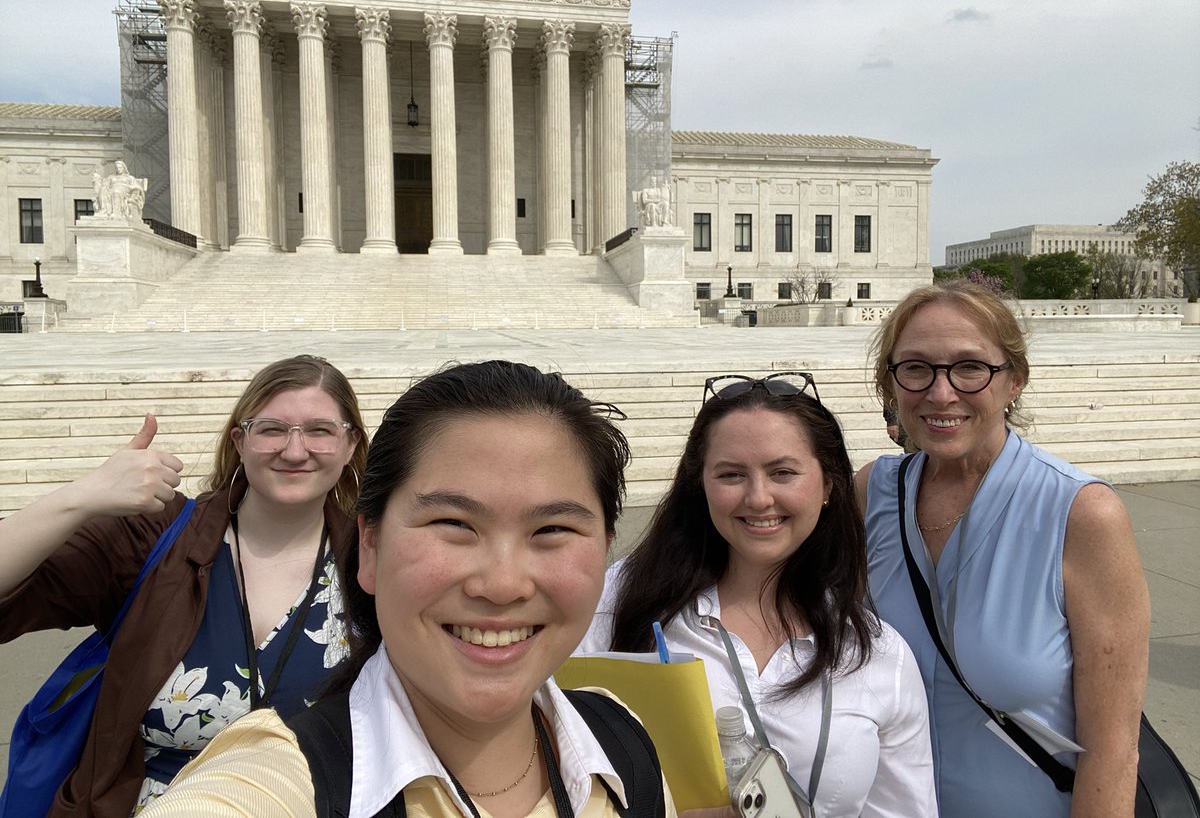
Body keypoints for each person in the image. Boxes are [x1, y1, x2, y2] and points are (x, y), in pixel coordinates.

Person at [139, 361, 675, 818]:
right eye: (454, 524)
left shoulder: (621, 740)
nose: (503, 585)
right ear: (368, 547)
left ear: (605, 548)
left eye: (552, 530)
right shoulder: (274, 779)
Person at [0, 354, 367, 816]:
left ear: (351, 444)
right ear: (241, 439)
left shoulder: (372, 563)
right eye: (272, 429)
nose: (294, 451)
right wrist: (81, 497)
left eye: (320, 430)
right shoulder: (154, 536)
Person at [855, 279, 1150, 817]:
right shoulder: (872, 492)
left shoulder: (1081, 515)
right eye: (916, 367)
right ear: (891, 384)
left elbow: (1112, 751)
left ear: (1014, 380)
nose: (941, 393)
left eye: (971, 367)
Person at [581, 372, 936, 817]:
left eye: (782, 472)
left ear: (827, 485)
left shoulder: (878, 653)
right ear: (701, 486)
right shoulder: (615, 605)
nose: (759, 497)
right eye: (731, 474)